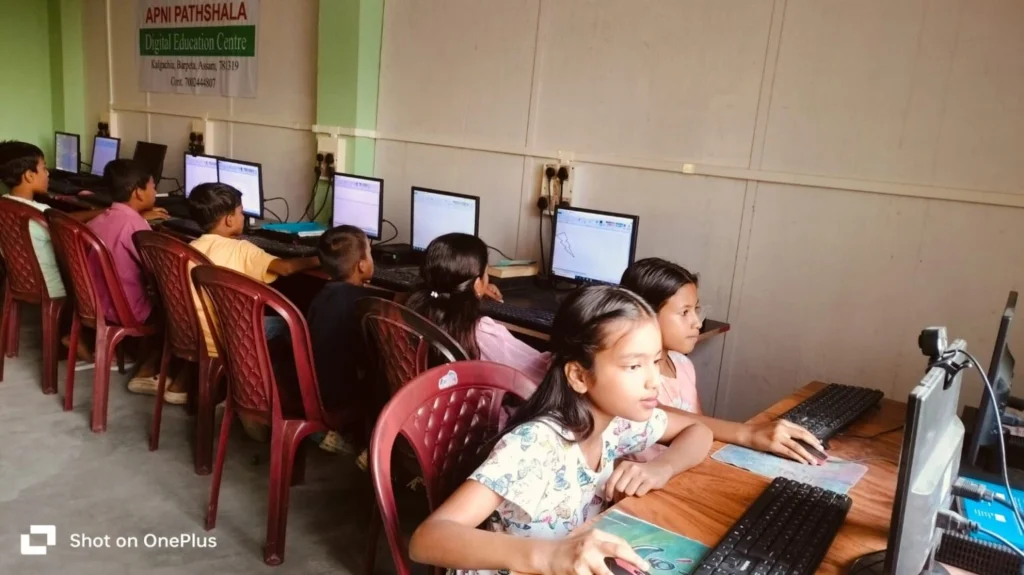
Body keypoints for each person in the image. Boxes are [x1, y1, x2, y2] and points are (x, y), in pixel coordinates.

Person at [408, 286, 714, 575]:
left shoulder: (618, 424)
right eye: (634, 366)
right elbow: (427, 539)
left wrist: (662, 467)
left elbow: (698, 431)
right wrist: (552, 555)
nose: (653, 381)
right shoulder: (535, 445)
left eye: (656, 362)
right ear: (579, 376)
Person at [620, 257, 825, 465]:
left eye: (696, 310)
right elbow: (656, 414)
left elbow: (701, 428)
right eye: (684, 312)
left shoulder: (683, 365)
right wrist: (748, 433)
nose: (697, 322)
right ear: (645, 315)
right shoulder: (630, 375)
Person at [188, 182, 319, 438]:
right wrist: (319, 258)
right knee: (294, 327)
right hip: (230, 339)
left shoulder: (190, 248)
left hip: (199, 335)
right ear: (228, 220)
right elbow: (285, 269)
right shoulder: (242, 249)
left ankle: (248, 400)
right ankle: (265, 403)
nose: (244, 217)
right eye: (240, 212)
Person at [0, 141, 103, 363]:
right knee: (95, 278)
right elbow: (67, 222)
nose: (48, 174)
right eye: (44, 168)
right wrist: (105, 212)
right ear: (29, 175)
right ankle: (78, 339)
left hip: (21, 279)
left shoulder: (5, 204)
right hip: (52, 285)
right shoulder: (39, 212)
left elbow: (62, 218)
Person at [406, 233, 551, 384]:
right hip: (474, 406)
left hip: (424, 401)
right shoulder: (481, 330)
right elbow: (539, 371)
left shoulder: (412, 308)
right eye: (486, 274)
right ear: (477, 284)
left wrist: (477, 292)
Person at [86, 159, 171, 396]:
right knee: (175, 312)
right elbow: (156, 271)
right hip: (126, 311)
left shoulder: (100, 218)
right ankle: (149, 369)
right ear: (138, 193)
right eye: (153, 186)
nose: (155, 192)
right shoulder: (135, 226)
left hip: (94, 304)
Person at [306, 225, 385, 453]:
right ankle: (371, 449)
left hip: (314, 386)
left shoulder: (322, 296)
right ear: (361, 265)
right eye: (370, 253)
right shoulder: (365, 303)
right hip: (341, 396)